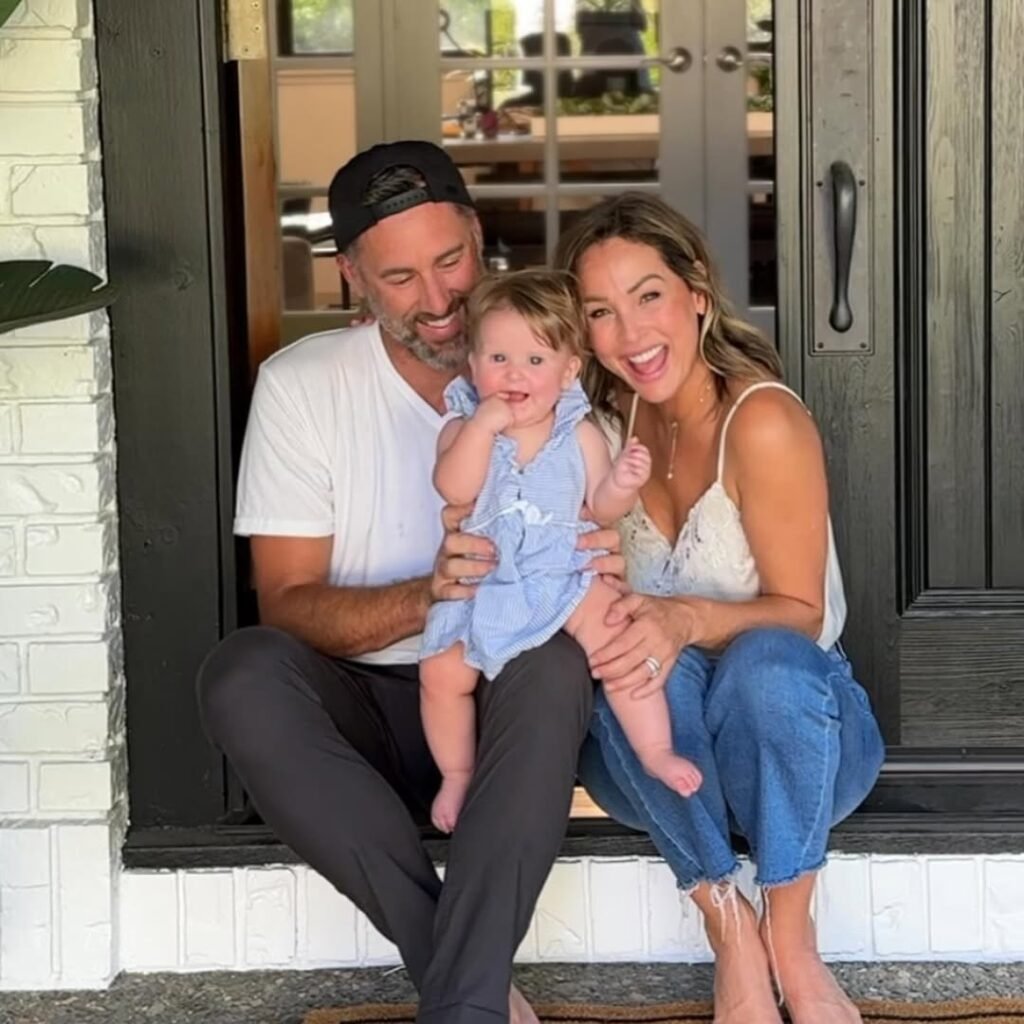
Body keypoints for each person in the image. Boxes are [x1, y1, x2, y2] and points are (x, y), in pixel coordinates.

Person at [196, 141, 623, 1024]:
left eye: (450, 260)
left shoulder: (560, 365)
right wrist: (429, 592)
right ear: (352, 275)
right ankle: (463, 984)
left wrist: (612, 557)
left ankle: (461, 1002)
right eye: (398, 277)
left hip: (513, 703)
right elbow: (287, 603)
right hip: (371, 717)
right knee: (241, 671)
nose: (437, 300)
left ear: (478, 236)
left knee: (550, 667)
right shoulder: (303, 387)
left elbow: (613, 514)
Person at [555, 193, 885, 1024]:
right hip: (659, 763)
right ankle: (729, 929)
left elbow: (803, 611)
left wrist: (686, 619)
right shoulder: (596, 433)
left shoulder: (761, 419)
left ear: (697, 292)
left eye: (649, 295)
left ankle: (793, 941)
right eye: (600, 311)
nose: (630, 334)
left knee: (766, 661)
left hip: (795, 746)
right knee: (636, 662)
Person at [420, 269, 702, 833]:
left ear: (569, 371)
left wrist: (622, 480)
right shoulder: (461, 428)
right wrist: (484, 426)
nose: (513, 375)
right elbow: (454, 487)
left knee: (620, 643)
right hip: (485, 583)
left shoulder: (579, 434)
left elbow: (600, 509)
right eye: (497, 359)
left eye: (534, 361)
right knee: (440, 673)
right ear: (472, 366)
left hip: (563, 575)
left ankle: (654, 749)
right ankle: (457, 772)